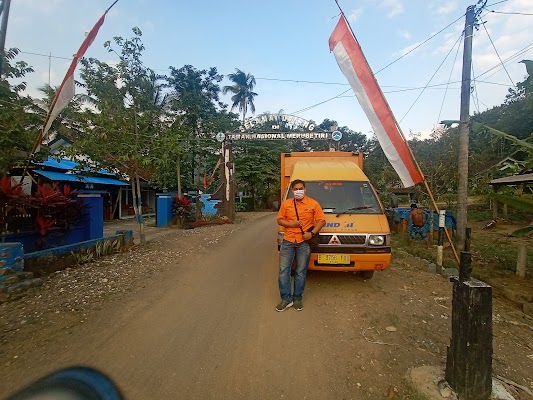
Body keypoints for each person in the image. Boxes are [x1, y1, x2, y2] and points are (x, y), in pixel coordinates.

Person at [276, 179, 326, 312]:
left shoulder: (313, 204)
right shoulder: (286, 204)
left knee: (300, 272)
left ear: (305, 189)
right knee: (283, 272)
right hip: (288, 241)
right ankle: (286, 299)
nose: (298, 191)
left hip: (304, 243)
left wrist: (312, 233)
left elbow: (322, 220)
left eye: (300, 188)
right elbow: (279, 219)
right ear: (293, 191)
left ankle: (297, 298)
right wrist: (291, 224)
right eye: (296, 189)